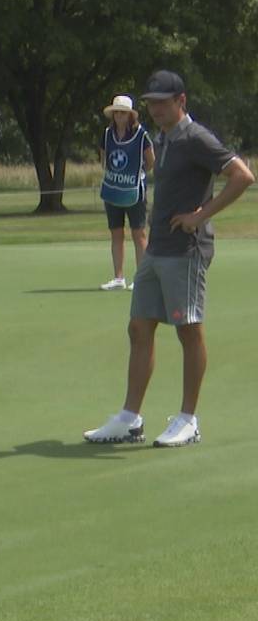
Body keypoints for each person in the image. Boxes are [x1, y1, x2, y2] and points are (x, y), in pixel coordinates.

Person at [84, 70, 254, 447]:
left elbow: (242, 176)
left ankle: (188, 419)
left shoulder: (196, 138)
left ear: (181, 101)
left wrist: (200, 216)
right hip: (158, 247)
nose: (156, 109)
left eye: (163, 102)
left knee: (188, 331)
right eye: (152, 103)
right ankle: (129, 419)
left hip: (186, 250)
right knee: (139, 327)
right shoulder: (162, 137)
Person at [97, 94, 154, 290]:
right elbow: (103, 158)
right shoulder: (106, 134)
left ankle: (142, 278)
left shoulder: (141, 135)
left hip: (134, 191)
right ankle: (118, 278)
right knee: (116, 233)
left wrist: (138, 173)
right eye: (116, 113)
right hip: (113, 190)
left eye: (123, 113)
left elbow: (150, 160)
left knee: (139, 234)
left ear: (130, 115)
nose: (119, 116)